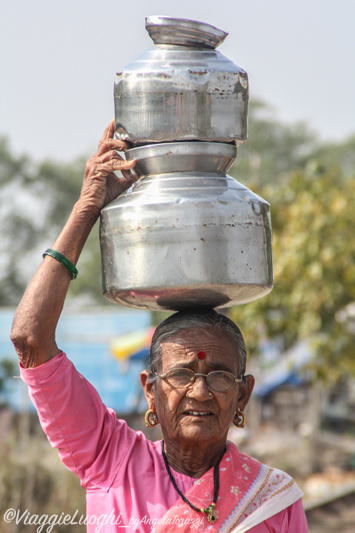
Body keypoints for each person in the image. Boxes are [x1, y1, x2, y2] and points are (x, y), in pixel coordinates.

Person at [11, 121, 308, 532]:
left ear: (243, 395)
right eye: (182, 373)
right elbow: (30, 339)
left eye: (219, 376)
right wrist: (87, 208)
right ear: (150, 389)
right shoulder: (109, 458)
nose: (200, 392)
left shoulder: (272, 501)